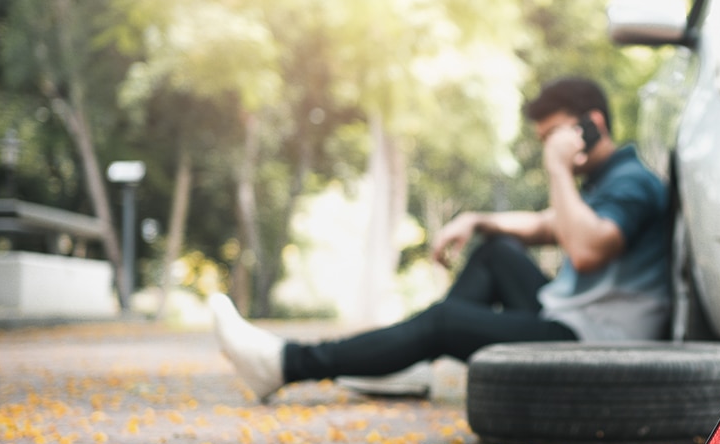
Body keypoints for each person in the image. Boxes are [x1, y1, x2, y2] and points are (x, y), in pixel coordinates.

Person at [210, 76, 671, 402]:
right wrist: (477, 219)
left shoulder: (632, 183)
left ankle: (285, 364)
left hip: (596, 346)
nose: (547, 146)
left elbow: (587, 249)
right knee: (495, 252)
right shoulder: (607, 181)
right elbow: (548, 225)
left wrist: (556, 167)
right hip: (573, 323)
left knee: (445, 321)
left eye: (553, 135)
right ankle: (408, 363)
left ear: (591, 124)